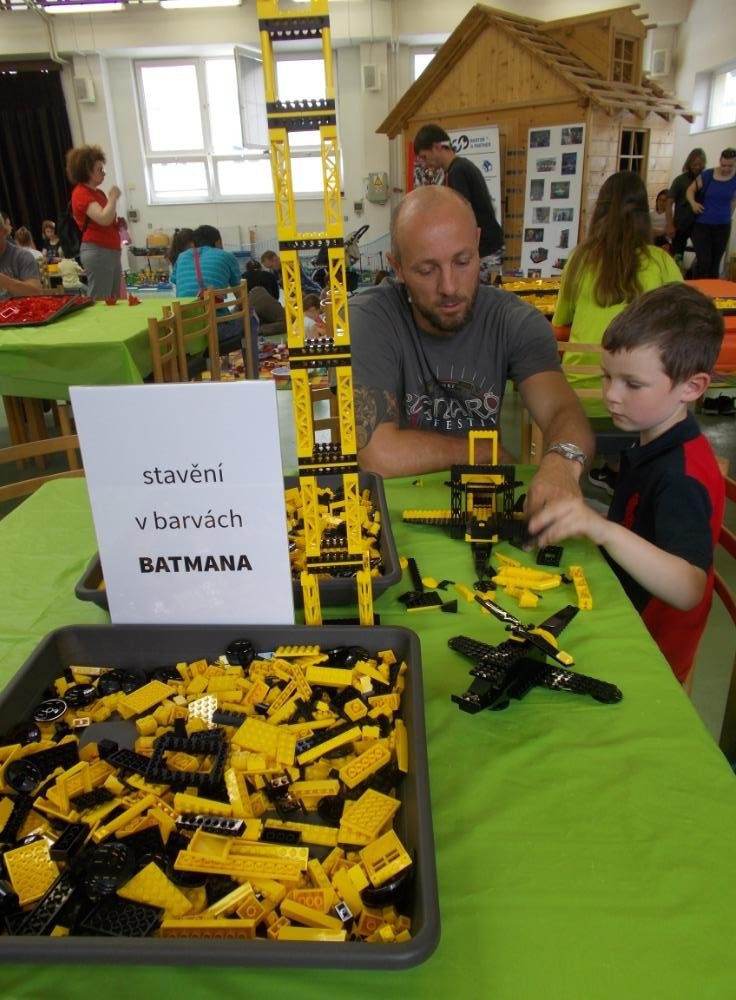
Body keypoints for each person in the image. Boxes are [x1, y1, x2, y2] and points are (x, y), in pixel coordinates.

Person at [349, 185, 594, 521]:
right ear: (398, 267)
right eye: (426, 270)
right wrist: (482, 451)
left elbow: (562, 410)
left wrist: (562, 463)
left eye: (462, 261)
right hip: (392, 513)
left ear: (478, 242)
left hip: (483, 504)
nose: (449, 286)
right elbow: (379, 456)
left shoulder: (515, 321)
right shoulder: (369, 319)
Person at [528, 284, 725, 687]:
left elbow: (689, 588)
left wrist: (603, 530)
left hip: (648, 654)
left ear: (691, 387)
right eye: (607, 376)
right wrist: (587, 518)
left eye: (632, 384)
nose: (611, 396)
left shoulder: (682, 477)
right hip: (624, 608)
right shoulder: (653, 438)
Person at [552, 170, 683, 493]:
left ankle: (611, 469)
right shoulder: (661, 263)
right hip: (643, 402)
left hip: (580, 395)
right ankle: (622, 470)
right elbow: (684, 329)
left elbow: (560, 325)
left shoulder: (580, 260)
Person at [413, 123, 504, 284]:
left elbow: (461, 217)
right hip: (489, 246)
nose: (425, 164)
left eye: (425, 157)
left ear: (436, 147)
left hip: (486, 250)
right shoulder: (460, 167)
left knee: (478, 296)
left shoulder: (458, 171)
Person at [66, 144, 123, 300]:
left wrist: (118, 224)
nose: (103, 173)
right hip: (99, 252)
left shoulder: (99, 193)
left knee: (114, 299)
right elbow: (103, 218)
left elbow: (108, 219)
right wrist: (113, 198)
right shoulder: (81, 193)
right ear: (87, 170)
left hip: (110, 251)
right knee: (101, 300)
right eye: (99, 169)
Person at [687, 147, 736, 279]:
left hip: (722, 226)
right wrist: (693, 203)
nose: (726, 169)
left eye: (730, 166)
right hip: (702, 225)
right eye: (723, 165)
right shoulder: (708, 175)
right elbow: (690, 190)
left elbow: (733, 199)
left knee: (715, 264)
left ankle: (712, 289)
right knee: (704, 262)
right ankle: (697, 288)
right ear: (720, 161)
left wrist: (728, 215)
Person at [665, 147, 706, 265]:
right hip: (681, 224)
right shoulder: (680, 180)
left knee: (703, 255)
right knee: (677, 256)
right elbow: (669, 203)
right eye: (694, 164)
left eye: (699, 164)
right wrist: (670, 225)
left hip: (699, 224)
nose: (697, 167)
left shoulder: (706, 179)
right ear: (689, 163)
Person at [0, 209, 42, 299]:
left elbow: (36, 292)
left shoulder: (22, 256)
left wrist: (3, 280)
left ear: (4, 232)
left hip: (20, 307)